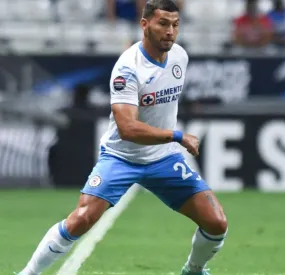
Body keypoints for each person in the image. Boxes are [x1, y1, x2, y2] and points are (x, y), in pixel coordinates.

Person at [19, 1, 227, 275]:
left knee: (216, 222)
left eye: (175, 25)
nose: (170, 32)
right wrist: (176, 135)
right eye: (163, 23)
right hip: (122, 156)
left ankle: (193, 270)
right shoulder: (127, 68)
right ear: (145, 24)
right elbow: (128, 128)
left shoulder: (180, 57)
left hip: (162, 158)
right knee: (82, 218)